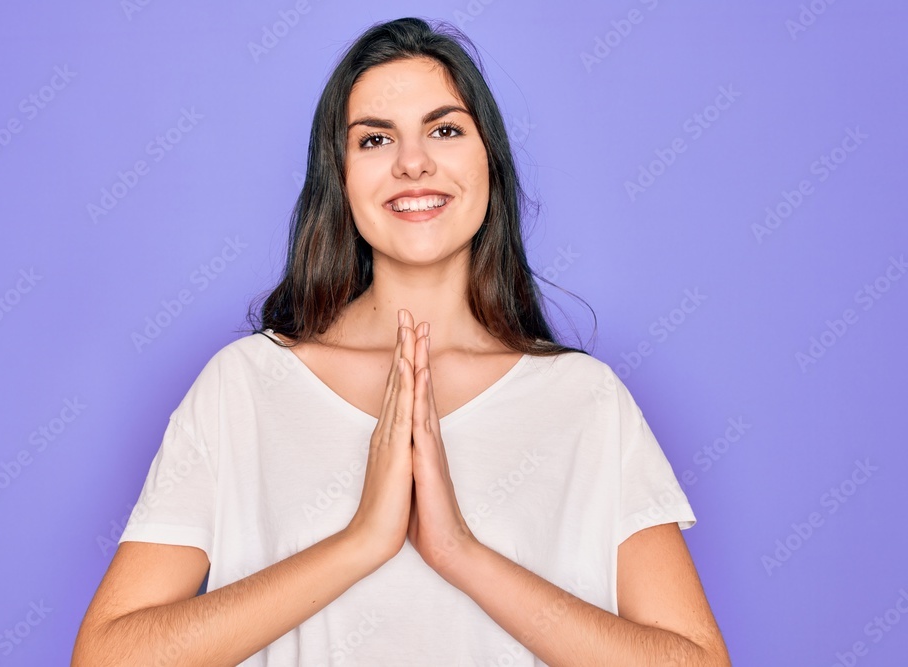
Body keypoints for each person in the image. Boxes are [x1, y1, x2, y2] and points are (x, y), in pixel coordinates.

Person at [72, 16, 731, 666]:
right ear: (342, 178)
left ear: (490, 163)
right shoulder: (244, 386)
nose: (414, 163)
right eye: (375, 139)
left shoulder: (586, 402)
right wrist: (361, 541)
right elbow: (105, 656)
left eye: (444, 129)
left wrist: (459, 552)